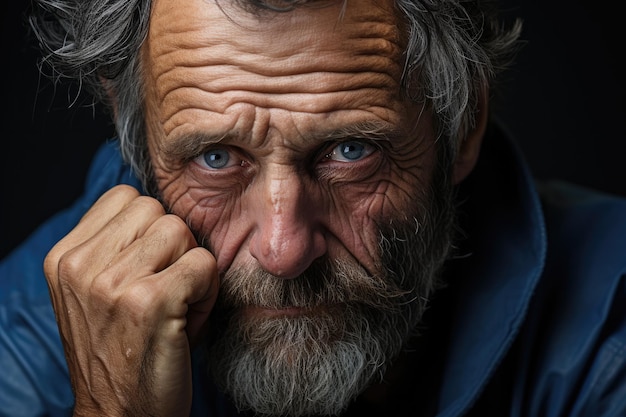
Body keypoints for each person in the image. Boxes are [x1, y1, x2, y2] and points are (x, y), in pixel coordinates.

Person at [1, 0, 625, 416]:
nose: (283, 250)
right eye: (215, 159)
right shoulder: (25, 334)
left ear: (461, 127)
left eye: (350, 152)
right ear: (132, 126)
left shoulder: (609, 324)